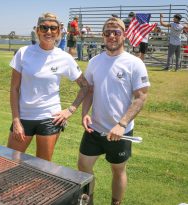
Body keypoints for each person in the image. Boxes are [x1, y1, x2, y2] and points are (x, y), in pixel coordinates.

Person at [78, 17, 150, 205]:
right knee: (83, 168)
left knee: (118, 171)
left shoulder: (134, 63)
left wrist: (121, 124)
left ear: (124, 35)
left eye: (116, 32)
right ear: (102, 36)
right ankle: (88, 202)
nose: (112, 36)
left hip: (120, 132)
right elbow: (90, 90)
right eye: (107, 32)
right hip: (94, 129)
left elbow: (141, 97)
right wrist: (85, 112)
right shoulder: (94, 61)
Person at [7, 12, 89, 161]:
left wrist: (70, 110)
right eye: (44, 28)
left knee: (43, 167)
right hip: (24, 116)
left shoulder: (64, 57)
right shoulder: (23, 53)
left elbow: (85, 86)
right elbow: (14, 89)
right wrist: (16, 120)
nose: (48, 32)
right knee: (11, 161)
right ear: (37, 30)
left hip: (50, 119)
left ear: (58, 32)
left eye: (53, 28)